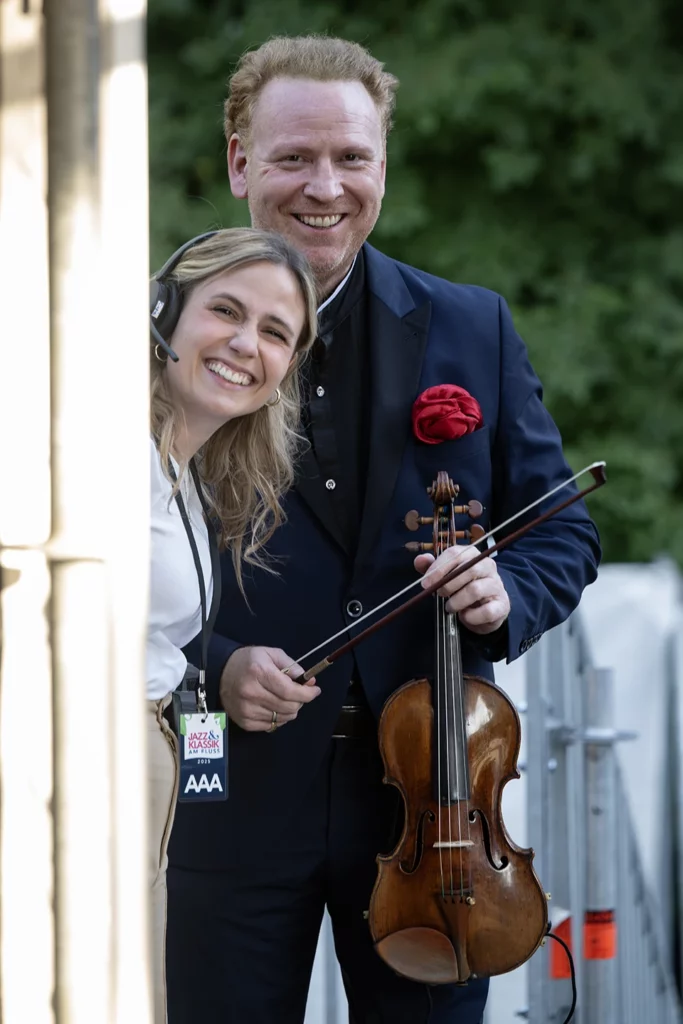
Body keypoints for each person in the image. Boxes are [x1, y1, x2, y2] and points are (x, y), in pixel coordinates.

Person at [166, 36, 601, 1024]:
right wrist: (217, 663)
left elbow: (559, 535)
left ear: (382, 165)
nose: (324, 187)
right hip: (222, 779)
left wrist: (509, 592)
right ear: (240, 162)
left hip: (435, 804)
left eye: (351, 158)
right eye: (291, 158)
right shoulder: (162, 333)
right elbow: (101, 558)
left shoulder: (470, 327)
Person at [145, 226, 317, 1023]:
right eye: (225, 310)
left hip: (148, 780)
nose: (246, 344)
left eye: (275, 332)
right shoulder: (104, 449)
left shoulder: (184, 475)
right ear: (163, 311)